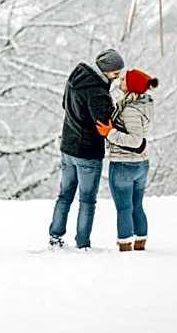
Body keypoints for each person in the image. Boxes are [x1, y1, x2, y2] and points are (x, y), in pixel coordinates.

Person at [48, 48, 124, 250]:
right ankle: (82, 243)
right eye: (115, 74)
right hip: (88, 153)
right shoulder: (98, 93)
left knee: (64, 195)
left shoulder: (76, 76)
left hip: (67, 147)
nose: (117, 79)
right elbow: (104, 125)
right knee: (87, 200)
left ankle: (55, 236)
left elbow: (65, 105)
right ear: (106, 70)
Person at [96, 68, 156, 252]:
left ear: (132, 87)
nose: (120, 81)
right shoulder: (143, 104)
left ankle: (124, 245)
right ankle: (140, 242)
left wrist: (109, 133)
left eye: (124, 80)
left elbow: (135, 139)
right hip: (141, 164)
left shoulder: (130, 109)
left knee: (124, 208)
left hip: (124, 165)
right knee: (136, 205)